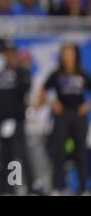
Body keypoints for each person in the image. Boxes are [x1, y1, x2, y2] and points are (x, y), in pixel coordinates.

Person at [34, 43, 91, 195]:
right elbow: (43, 90)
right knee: (59, 152)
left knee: (80, 152)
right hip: (62, 116)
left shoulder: (82, 74)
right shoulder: (57, 74)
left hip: (78, 117)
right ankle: (56, 188)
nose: (67, 56)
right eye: (65, 53)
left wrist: (87, 105)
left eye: (70, 53)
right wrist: (52, 102)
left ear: (75, 55)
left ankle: (83, 188)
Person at [0, 43, 35, 195]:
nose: (10, 57)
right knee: (5, 155)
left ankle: (28, 186)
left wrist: (20, 69)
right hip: (2, 121)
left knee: (20, 153)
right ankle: (8, 188)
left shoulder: (21, 74)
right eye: (7, 54)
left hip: (16, 120)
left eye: (12, 54)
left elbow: (25, 88)